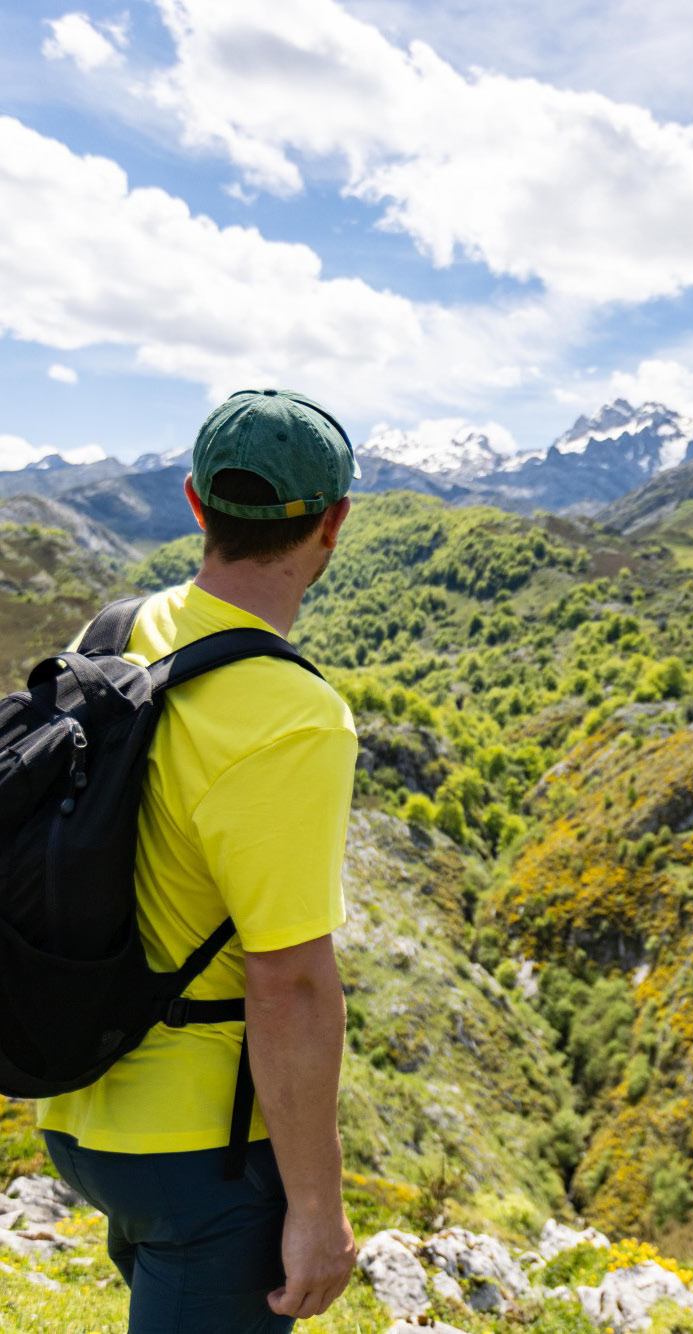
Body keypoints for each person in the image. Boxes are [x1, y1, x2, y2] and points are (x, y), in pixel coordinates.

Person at [36, 389, 362, 1332]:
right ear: (333, 523)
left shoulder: (111, 636)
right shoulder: (295, 718)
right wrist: (316, 1209)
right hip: (205, 1151)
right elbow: (291, 982)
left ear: (194, 503)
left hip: (80, 1101)